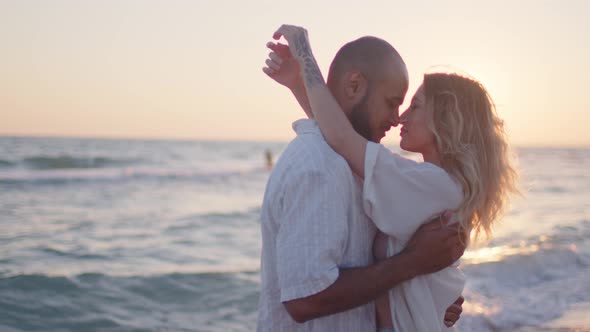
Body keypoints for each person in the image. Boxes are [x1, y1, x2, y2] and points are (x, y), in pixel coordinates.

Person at [264, 25, 518, 331]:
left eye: (413, 105)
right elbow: (339, 139)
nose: (400, 116)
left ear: (446, 122)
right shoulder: (409, 180)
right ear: (355, 85)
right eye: (393, 102)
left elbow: (342, 137)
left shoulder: (429, 184)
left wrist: (304, 58)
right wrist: (426, 281)